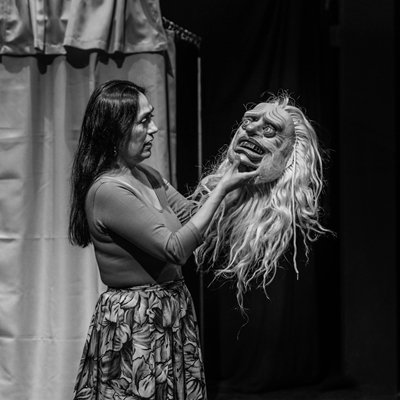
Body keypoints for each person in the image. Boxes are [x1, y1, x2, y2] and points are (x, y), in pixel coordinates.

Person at [68, 79, 259, 400]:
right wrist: (224, 187)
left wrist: (241, 180)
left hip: (171, 310)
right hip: (137, 322)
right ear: (115, 131)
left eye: (151, 117)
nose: (154, 128)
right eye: (143, 121)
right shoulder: (108, 191)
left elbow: (195, 218)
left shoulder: (148, 175)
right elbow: (175, 249)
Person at [191, 93, 329, 311]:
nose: (251, 129)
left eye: (269, 130)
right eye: (248, 121)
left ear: (291, 155)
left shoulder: (296, 233)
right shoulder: (210, 207)